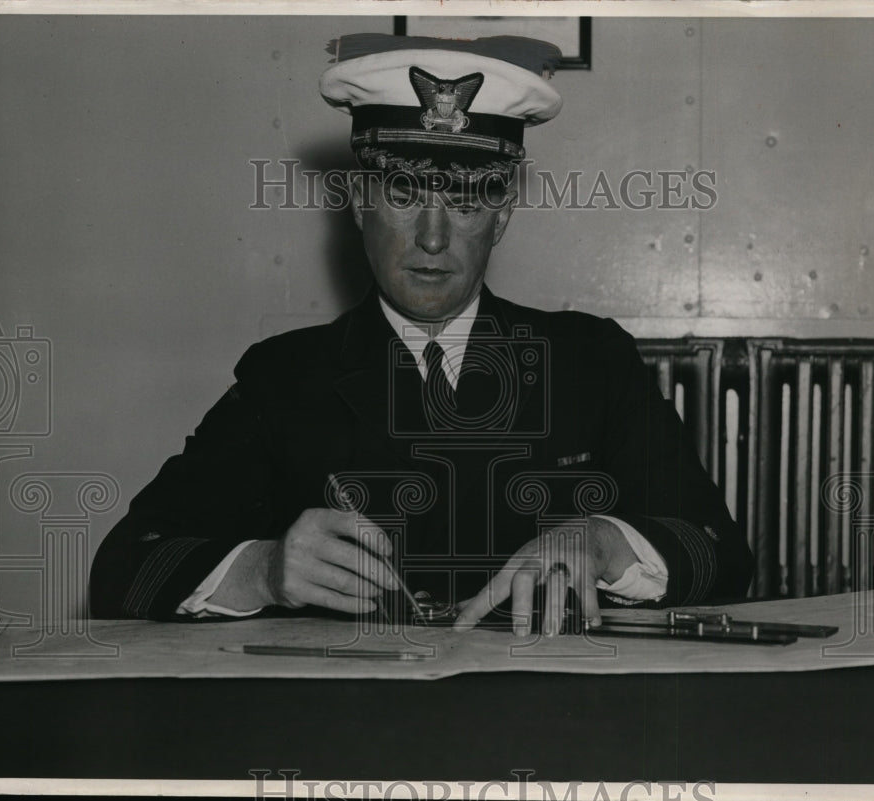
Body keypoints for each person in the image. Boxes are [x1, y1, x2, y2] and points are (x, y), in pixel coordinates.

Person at [89, 34, 753, 635]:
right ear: (358, 201)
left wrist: (605, 542)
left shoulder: (590, 360)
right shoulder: (284, 379)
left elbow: (720, 552)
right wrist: (264, 569)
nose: (433, 238)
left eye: (464, 200)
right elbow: (125, 566)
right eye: (405, 195)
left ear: (501, 215)